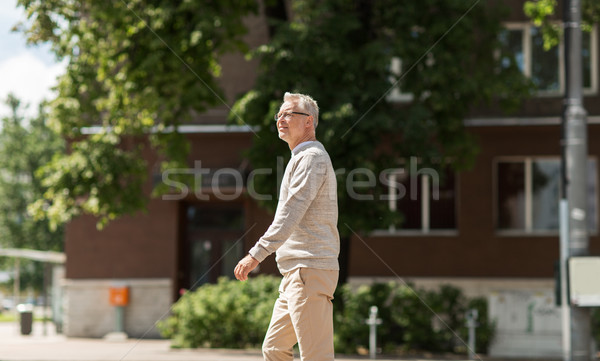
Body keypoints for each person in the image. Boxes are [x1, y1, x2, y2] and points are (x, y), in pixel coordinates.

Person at [234, 92, 340, 361]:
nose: (281, 119)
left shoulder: (311, 157)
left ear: (309, 122)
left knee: (316, 356)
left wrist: (255, 255)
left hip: (309, 269)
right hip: (295, 273)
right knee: (274, 349)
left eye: (289, 113)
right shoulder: (300, 157)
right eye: (279, 114)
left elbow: (290, 214)